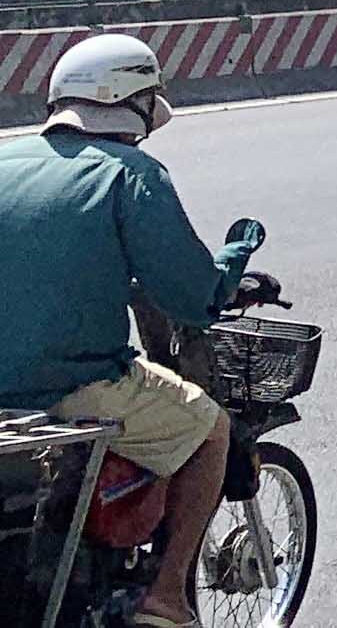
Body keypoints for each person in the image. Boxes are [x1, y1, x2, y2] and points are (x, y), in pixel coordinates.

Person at [0, 35, 261, 628]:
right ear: (133, 103)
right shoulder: (134, 175)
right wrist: (234, 260)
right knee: (211, 430)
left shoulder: (5, 160)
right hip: (73, 387)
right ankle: (166, 597)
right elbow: (191, 297)